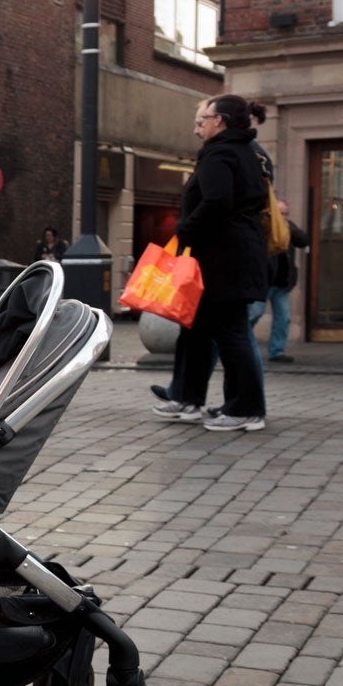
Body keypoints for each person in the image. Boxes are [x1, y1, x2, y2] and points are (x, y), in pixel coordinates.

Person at [153, 94, 271, 433]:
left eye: (201, 120)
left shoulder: (221, 153)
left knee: (232, 334)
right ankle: (189, 399)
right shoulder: (247, 152)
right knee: (197, 330)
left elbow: (217, 201)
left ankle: (247, 409)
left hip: (225, 260)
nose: (197, 129)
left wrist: (185, 229)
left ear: (219, 120)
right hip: (227, 257)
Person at [261, 199, 309, 364]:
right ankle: (235, 347)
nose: (283, 217)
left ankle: (276, 351)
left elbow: (303, 240)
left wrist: (290, 228)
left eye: (286, 214)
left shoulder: (289, 227)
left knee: (283, 317)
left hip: (282, 282)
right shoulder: (265, 226)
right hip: (266, 280)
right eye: (281, 213)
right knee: (252, 315)